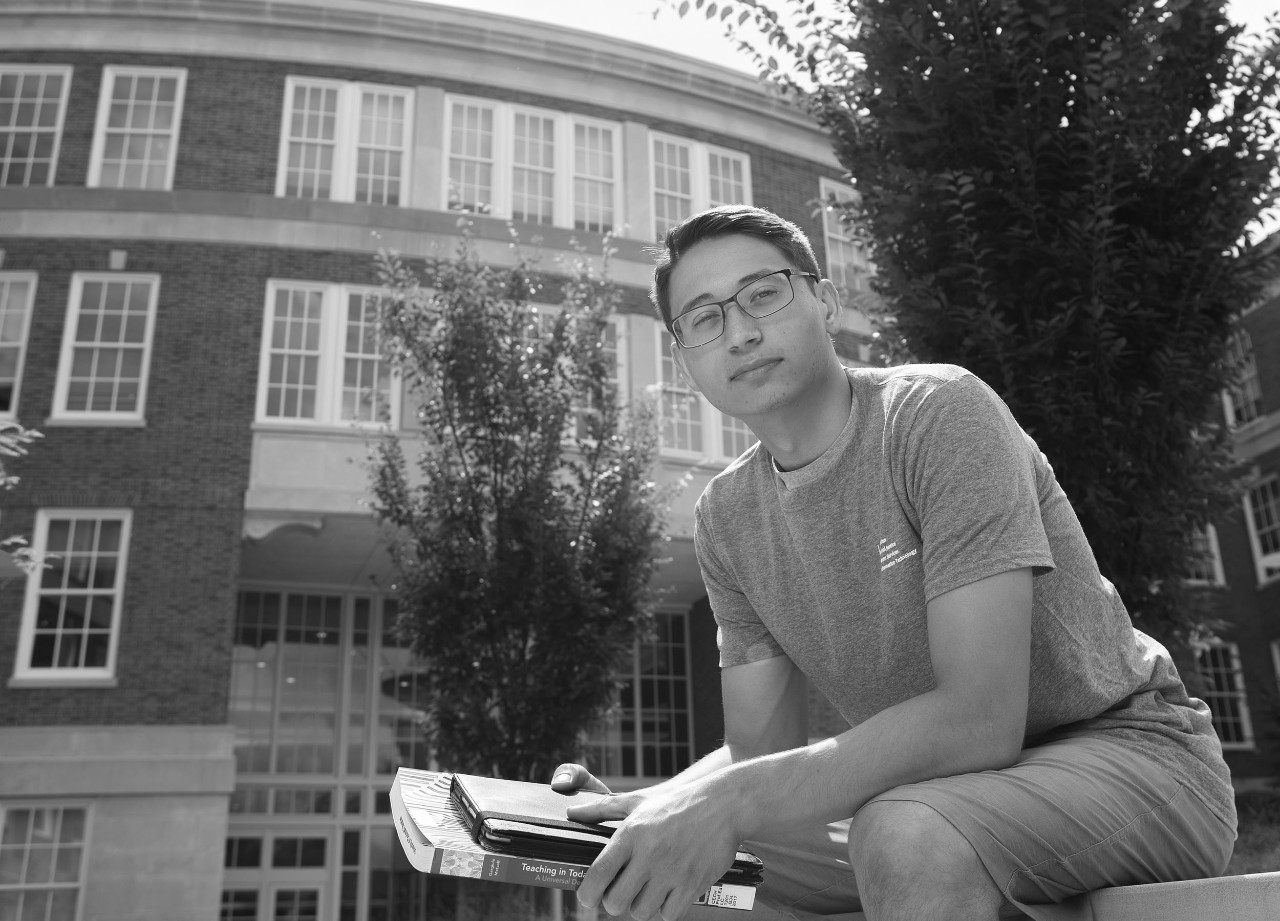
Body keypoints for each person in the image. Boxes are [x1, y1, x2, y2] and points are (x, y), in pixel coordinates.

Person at [551, 205, 1236, 921]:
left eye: (764, 293)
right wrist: (657, 805)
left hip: (1133, 759)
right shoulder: (727, 519)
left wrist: (731, 798)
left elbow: (980, 718)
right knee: (644, 870)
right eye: (705, 317)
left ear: (827, 300)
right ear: (683, 354)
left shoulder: (937, 414)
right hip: (935, 791)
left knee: (903, 831)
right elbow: (760, 750)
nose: (742, 332)